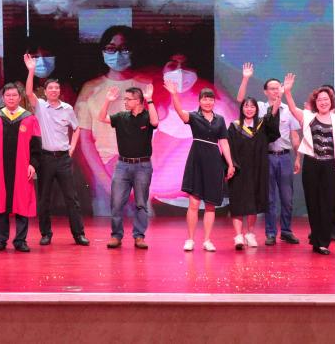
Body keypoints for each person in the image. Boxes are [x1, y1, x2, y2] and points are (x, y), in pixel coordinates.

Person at [282, 75, 335, 255]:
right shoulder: (308, 116)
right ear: (315, 102)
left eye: (326, 99)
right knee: (313, 202)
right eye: (320, 100)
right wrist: (287, 91)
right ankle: (316, 238)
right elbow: (292, 108)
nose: (323, 102)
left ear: (331, 101)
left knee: (327, 203)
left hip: (331, 166)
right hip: (312, 165)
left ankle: (323, 242)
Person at [74, 25, 152, 215]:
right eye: (111, 48)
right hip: (104, 169)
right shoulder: (90, 89)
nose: (117, 54)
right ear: (102, 51)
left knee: (145, 223)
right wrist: (105, 181)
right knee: (107, 224)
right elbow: (85, 139)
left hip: (141, 168)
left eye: (124, 48)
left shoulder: (146, 84)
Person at [23, 53, 89, 247]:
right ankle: (46, 233)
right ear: (45, 91)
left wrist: (71, 149)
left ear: (60, 91)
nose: (54, 90)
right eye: (50, 88)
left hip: (63, 159)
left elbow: (76, 128)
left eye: (56, 88)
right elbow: (28, 92)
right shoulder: (40, 106)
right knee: (44, 199)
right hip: (45, 159)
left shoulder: (67, 108)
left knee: (72, 198)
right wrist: (31, 70)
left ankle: (79, 234)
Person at [237, 64, 301, 246]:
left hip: (285, 157)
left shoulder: (289, 110)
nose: (275, 91)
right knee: (270, 198)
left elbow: (295, 136)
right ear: (265, 92)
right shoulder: (259, 108)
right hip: (266, 158)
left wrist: (298, 157)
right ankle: (271, 233)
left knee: (287, 198)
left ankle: (286, 231)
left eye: (277, 88)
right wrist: (246, 78)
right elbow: (241, 99)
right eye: (271, 88)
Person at [167, 83, 236, 252]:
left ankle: (207, 240)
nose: (208, 102)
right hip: (197, 160)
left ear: (214, 101)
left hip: (214, 162)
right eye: (205, 99)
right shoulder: (194, 116)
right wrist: (174, 94)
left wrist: (230, 164)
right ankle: (190, 239)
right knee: (194, 203)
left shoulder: (220, 119)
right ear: (199, 101)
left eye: (210, 99)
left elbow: (224, 143)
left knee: (210, 204)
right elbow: (180, 112)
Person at [99, 85, 159, 249]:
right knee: (117, 202)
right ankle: (116, 235)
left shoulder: (147, 116)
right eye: (124, 99)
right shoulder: (121, 117)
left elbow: (155, 122)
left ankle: (139, 236)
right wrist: (107, 100)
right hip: (122, 165)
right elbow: (101, 117)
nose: (125, 101)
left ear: (138, 101)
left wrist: (150, 99)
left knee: (141, 203)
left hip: (143, 166)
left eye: (128, 99)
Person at [0, 82, 42, 252]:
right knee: (0, 202)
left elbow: (36, 146)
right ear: (3, 98)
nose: (11, 98)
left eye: (14, 95)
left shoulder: (29, 118)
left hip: (22, 168)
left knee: (22, 202)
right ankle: (0, 239)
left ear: (19, 97)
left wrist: (33, 164)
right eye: (8, 95)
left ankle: (20, 240)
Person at [227, 96, 280, 249]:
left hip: (258, 170)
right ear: (241, 109)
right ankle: (238, 236)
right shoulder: (234, 127)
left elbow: (273, 129)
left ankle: (250, 234)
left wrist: (277, 103)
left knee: (253, 202)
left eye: (252, 106)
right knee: (238, 202)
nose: (249, 109)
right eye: (246, 106)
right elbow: (228, 148)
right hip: (239, 170)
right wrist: (231, 166)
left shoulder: (262, 126)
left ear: (256, 109)